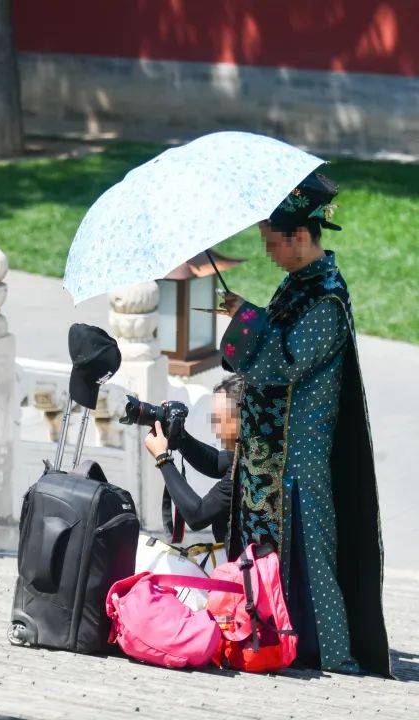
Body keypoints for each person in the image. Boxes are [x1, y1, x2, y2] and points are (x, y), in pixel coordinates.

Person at [215, 171, 390, 676]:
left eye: (273, 242)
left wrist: (246, 318)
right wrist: (246, 314)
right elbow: (272, 337)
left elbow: (284, 361)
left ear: (298, 237)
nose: (268, 253)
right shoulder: (298, 285)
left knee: (311, 551)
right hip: (272, 448)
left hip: (300, 451)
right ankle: (268, 630)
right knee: (269, 547)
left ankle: (329, 650)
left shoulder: (327, 298)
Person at [142, 375, 243, 544]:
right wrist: (178, 436)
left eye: (221, 419)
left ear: (244, 418)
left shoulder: (247, 469)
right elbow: (216, 463)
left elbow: (197, 516)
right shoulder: (252, 452)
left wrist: (162, 458)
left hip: (247, 560)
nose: (215, 428)